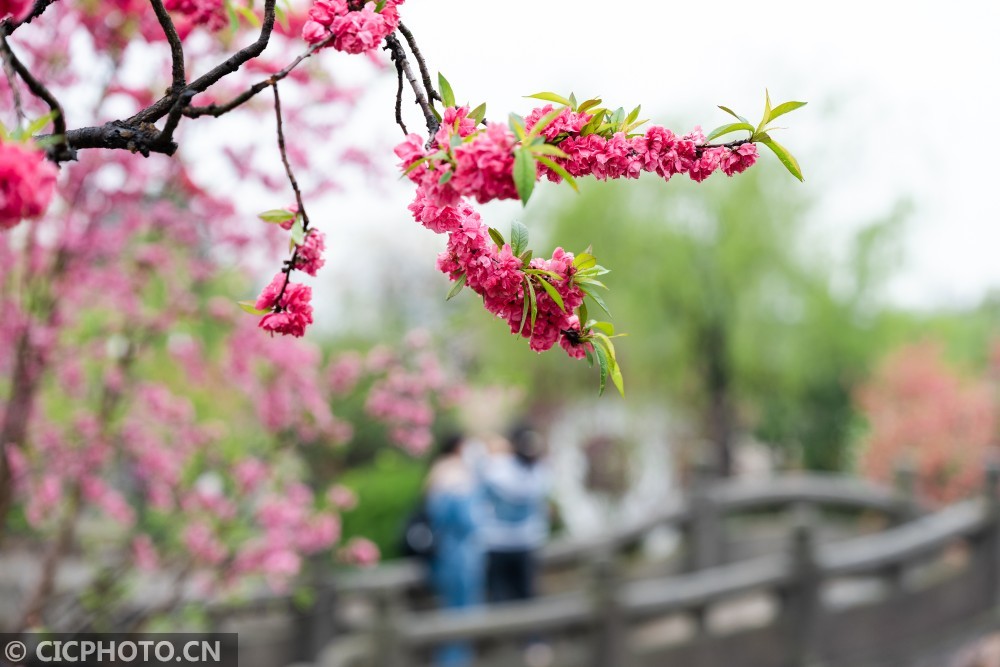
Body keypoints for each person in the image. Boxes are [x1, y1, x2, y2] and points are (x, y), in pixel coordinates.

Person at [424, 432, 484, 667]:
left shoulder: (436, 472)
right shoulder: (459, 474)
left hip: (444, 553)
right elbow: (467, 521)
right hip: (462, 554)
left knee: (449, 610)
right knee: (463, 612)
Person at [476, 424, 551, 604]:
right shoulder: (539, 473)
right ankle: (530, 632)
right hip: (520, 541)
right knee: (524, 594)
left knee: (503, 595)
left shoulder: (496, 469)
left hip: (500, 541)